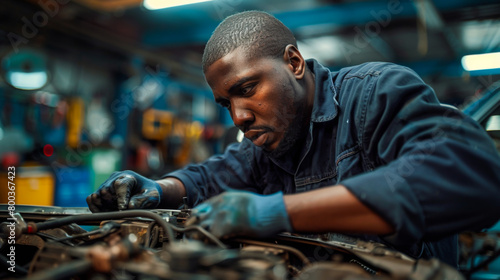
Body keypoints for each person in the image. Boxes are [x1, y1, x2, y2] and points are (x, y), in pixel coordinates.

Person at [87, 11, 500, 267]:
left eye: (247, 88)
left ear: (294, 62)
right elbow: (211, 177)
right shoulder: (265, 145)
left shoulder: (375, 93)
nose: (239, 116)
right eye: (224, 103)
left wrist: (277, 212)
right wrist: (157, 190)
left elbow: (470, 176)